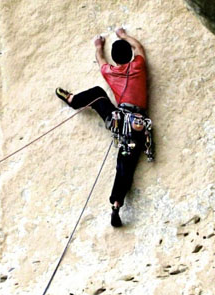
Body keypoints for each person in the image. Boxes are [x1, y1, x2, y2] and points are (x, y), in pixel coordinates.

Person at [55, 28, 152, 227]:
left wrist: (99, 46)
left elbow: (101, 60)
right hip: (137, 124)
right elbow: (139, 47)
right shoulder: (139, 66)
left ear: (116, 61)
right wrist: (124, 35)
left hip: (118, 118)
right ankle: (116, 203)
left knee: (99, 94)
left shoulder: (111, 72)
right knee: (125, 165)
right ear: (131, 55)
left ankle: (73, 100)